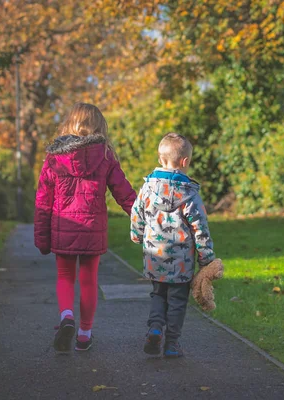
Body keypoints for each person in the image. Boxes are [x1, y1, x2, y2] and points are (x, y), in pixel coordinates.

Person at [34, 102, 136, 353]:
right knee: (89, 280)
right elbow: (123, 192)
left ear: (69, 124)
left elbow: (43, 200)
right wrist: (140, 217)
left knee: (65, 277)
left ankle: (66, 316)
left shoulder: (55, 157)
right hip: (92, 229)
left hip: (63, 227)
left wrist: (42, 237)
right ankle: (84, 334)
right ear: (99, 126)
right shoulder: (105, 155)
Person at [130, 132, 216, 358]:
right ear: (185, 162)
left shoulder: (148, 188)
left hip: (154, 255)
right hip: (181, 261)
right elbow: (200, 227)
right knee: (177, 300)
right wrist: (206, 257)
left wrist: (137, 234)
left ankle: (155, 328)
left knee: (158, 294)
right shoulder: (189, 193)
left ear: (160, 159)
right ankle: (172, 344)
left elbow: (136, 213)